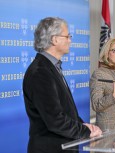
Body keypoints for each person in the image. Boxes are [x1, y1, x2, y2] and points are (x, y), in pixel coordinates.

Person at [23, 17, 102, 153]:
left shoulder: (51, 67)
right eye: (67, 36)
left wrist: (84, 125)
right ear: (54, 39)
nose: (70, 40)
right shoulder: (40, 72)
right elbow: (55, 120)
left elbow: (64, 110)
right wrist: (85, 131)